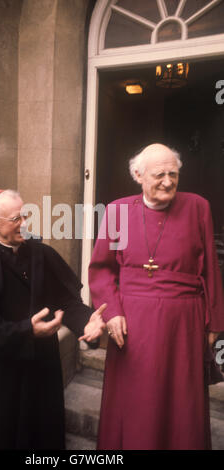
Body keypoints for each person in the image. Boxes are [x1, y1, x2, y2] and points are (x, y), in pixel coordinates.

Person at [0, 189, 106, 450]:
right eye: (16, 219)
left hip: (40, 371)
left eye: (25, 216)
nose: (24, 224)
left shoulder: (41, 254)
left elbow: (66, 301)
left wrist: (87, 322)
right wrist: (28, 331)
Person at [88, 143, 224, 450]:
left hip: (184, 320)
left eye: (173, 174)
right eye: (159, 174)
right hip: (133, 321)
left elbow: (211, 269)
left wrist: (214, 320)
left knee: (181, 400)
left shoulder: (198, 206)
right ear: (138, 175)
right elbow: (101, 270)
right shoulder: (117, 211)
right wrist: (112, 314)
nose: (167, 181)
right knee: (138, 398)